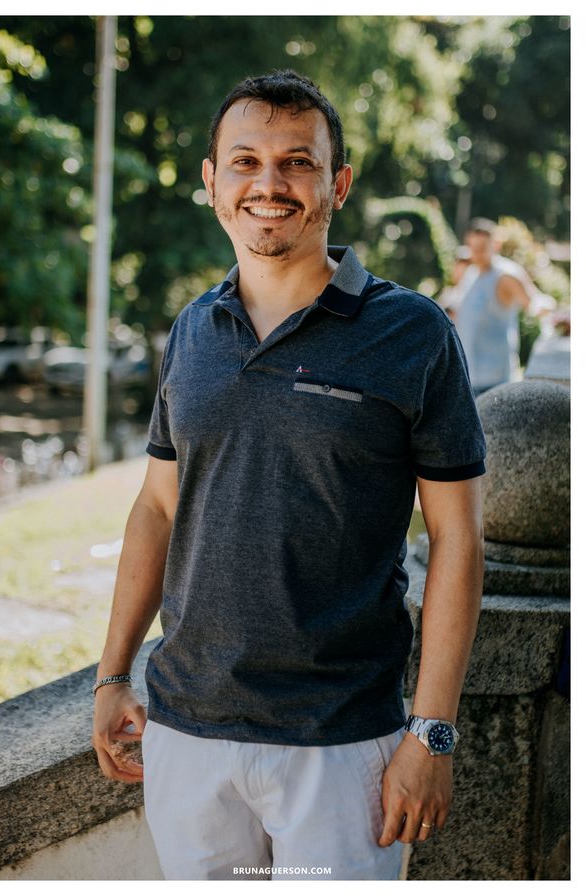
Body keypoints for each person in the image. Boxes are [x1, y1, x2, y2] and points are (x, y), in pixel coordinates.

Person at [91, 70, 486, 881]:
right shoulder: (194, 328)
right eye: (244, 162)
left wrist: (433, 730)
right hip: (187, 733)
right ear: (211, 183)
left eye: (297, 163)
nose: (269, 185)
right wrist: (111, 674)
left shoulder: (412, 333)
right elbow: (157, 510)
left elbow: (458, 539)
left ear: (336, 184)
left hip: (341, 746)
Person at [452, 218, 537, 394]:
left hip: (496, 381)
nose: (477, 254)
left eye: (482, 248)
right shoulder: (470, 274)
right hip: (468, 377)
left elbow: (535, 303)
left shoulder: (506, 276)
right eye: (473, 248)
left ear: (495, 244)